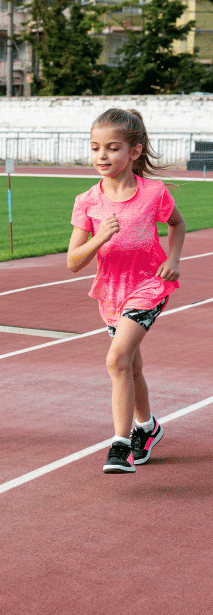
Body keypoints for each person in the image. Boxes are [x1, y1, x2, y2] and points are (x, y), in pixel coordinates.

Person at [67, 108, 186, 473]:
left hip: (150, 285)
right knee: (130, 367)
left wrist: (174, 259)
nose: (101, 156)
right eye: (95, 148)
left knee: (116, 359)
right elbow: (73, 261)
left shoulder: (153, 193)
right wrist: (99, 237)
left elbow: (178, 224)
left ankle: (120, 446)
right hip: (111, 292)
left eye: (112, 148)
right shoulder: (87, 201)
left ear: (134, 152)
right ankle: (148, 428)